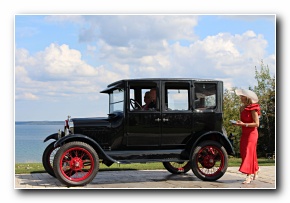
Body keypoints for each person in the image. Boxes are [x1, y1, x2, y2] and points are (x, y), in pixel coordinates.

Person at [233, 88, 261, 184]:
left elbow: (257, 124)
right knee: (246, 152)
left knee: (248, 152)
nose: (240, 97)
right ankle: (256, 169)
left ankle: (248, 175)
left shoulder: (253, 108)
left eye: (242, 96)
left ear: (246, 97)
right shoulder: (241, 108)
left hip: (252, 134)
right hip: (244, 133)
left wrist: (244, 124)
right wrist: (239, 123)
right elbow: (243, 121)